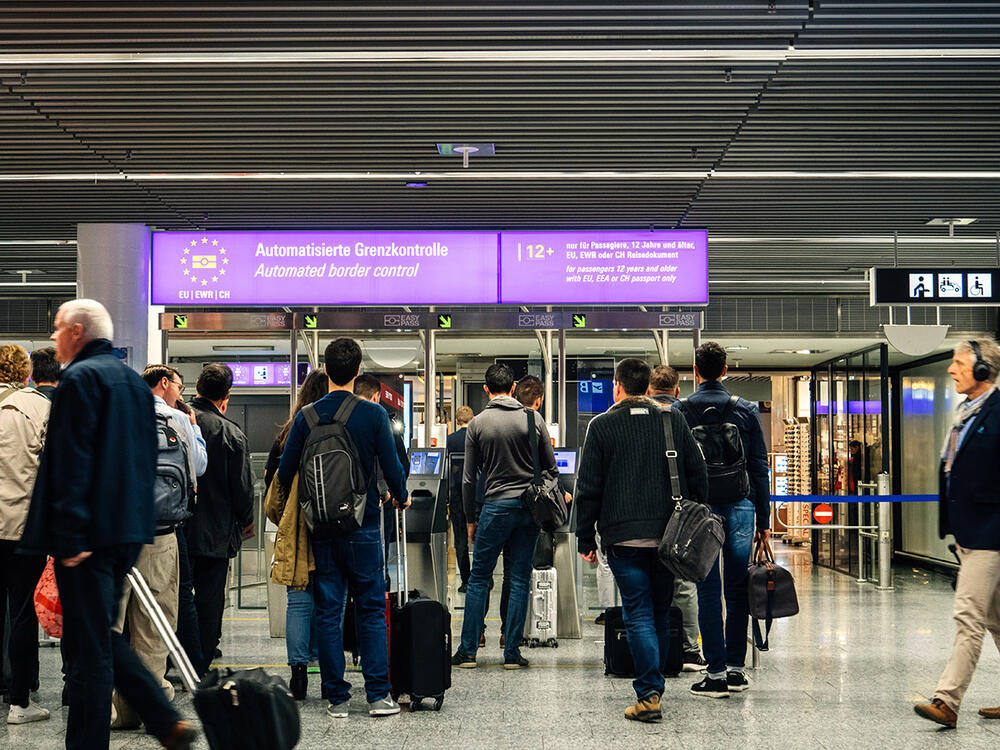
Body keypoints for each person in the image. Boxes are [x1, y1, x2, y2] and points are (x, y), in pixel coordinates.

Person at [18, 298, 196, 749]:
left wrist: (72, 533)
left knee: (95, 643)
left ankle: (154, 719)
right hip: (127, 532)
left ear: (78, 331)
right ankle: (151, 719)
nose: (53, 337)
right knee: (90, 637)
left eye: (58, 328)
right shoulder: (133, 385)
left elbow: (71, 460)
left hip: (87, 536)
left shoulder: (79, 379)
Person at [277, 338, 408, 719]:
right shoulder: (373, 415)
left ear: (325, 368)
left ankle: (336, 699)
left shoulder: (307, 417)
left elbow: (285, 474)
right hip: (363, 525)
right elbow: (392, 468)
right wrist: (400, 494)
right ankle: (378, 696)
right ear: (357, 371)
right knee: (369, 607)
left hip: (322, 528)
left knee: (328, 611)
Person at [576, 358, 708, 722]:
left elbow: (588, 488)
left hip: (623, 538)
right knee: (661, 611)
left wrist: (585, 537)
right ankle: (654, 686)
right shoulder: (672, 420)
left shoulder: (601, 426)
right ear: (649, 386)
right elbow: (698, 475)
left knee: (637, 610)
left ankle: (649, 692)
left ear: (618, 386)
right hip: (668, 537)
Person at [108, 364, 208, 727]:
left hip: (114, 535)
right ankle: (148, 707)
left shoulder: (112, 417)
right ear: (163, 385)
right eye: (179, 386)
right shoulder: (175, 420)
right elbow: (197, 468)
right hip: (161, 533)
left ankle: (109, 709)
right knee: (155, 625)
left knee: (111, 628)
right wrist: (193, 426)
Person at [678, 342, 771, 697]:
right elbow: (759, 467)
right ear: (726, 369)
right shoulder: (745, 411)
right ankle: (735, 670)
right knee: (736, 589)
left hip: (700, 510)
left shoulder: (682, 411)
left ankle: (714, 673)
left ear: (696, 371)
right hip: (742, 505)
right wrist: (764, 518)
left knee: (706, 590)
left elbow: (680, 466)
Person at [915, 339, 1000, 728]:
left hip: (991, 534)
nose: (951, 370)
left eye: (958, 363)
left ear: (982, 370)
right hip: (969, 533)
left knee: (969, 616)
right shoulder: (966, 413)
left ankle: (947, 701)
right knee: (996, 619)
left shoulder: (997, 413)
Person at [451, 363, 557, 670]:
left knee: (479, 579)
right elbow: (550, 466)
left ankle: (468, 651)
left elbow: (469, 479)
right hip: (528, 509)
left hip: (495, 507)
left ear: (486, 389)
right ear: (512, 388)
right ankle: (511, 652)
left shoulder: (477, 424)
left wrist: (471, 519)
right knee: (519, 578)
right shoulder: (533, 418)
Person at [264, 368, 329, 701]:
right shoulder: (341, 425)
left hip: (300, 523)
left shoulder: (290, 432)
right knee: (331, 597)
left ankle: (299, 674)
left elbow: (274, 484)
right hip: (336, 522)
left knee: (299, 600)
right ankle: (330, 668)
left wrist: (284, 517)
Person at [188, 363, 255, 669]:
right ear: (226, 396)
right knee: (209, 598)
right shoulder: (230, 433)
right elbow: (242, 487)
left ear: (197, 388)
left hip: (174, 528)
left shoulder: (177, 422)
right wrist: (246, 519)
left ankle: (173, 655)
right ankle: (200, 660)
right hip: (216, 530)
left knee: (176, 595)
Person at [0, 344, 51, 724]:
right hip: (20, 527)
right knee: (21, 613)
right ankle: (20, 702)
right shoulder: (36, 406)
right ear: (25, 372)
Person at [647, 364, 707, 672]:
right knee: (683, 583)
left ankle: (649, 649)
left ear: (648, 390)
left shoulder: (641, 419)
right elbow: (698, 470)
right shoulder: (686, 418)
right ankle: (687, 649)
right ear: (677, 390)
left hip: (645, 515)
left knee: (646, 585)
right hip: (680, 513)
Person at [353, 372, 410, 586]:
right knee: (377, 558)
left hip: (342, 502)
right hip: (379, 500)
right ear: (377, 396)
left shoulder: (339, 417)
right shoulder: (381, 418)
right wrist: (398, 495)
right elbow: (398, 463)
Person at [447, 405, 476, 593]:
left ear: (457, 421)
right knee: (481, 537)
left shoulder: (451, 440)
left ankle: (465, 580)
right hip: (476, 494)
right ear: (472, 419)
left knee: (460, 537)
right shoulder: (478, 437)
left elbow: (449, 468)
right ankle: (484, 578)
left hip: (457, 494)